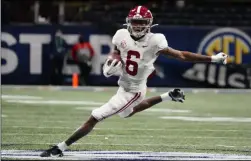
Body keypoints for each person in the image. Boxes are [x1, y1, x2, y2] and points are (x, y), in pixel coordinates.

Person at [40, 6, 227, 157]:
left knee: (96, 116)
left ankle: (60, 148)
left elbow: (182, 55)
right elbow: (116, 49)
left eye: (141, 23)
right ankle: (168, 96)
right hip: (125, 82)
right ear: (129, 22)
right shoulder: (121, 34)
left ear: (149, 24)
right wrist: (113, 58)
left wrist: (213, 59)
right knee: (127, 113)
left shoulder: (156, 40)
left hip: (134, 89)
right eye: (135, 22)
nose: (137, 26)